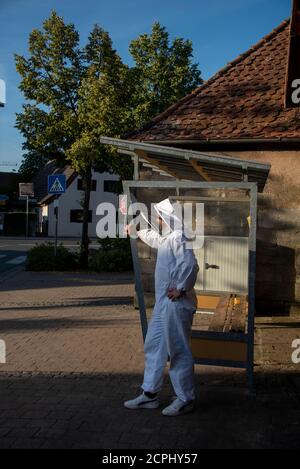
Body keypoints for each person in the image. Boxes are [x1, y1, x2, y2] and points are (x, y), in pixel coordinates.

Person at [124, 198, 199, 417]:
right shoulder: (170, 238)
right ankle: (149, 395)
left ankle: (185, 398)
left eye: (159, 215)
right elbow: (157, 239)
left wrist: (182, 288)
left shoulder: (179, 237)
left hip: (176, 304)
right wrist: (138, 232)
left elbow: (191, 265)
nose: (157, 219)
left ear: (168, 217)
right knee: (154, 345)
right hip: (164, 305)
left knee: (178, 350)